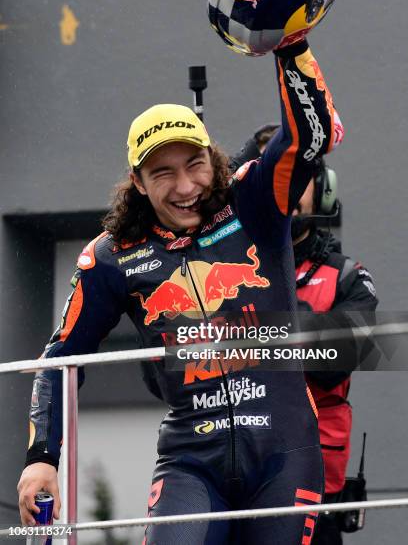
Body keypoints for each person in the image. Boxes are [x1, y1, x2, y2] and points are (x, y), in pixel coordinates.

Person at [17, 40, 342, 544]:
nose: (185, 185)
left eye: (194, 164)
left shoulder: (254, 202)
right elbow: (61, 357)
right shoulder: (112, 254)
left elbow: (308, 136)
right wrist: (41, 459)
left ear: (213, 159)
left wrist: (291, 44)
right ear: (139, 183)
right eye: (162, 173)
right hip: (192, 461)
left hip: (285, 454)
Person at [233, 132, 378, 544]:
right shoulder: (212, 275)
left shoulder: (349, 278)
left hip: (315, 492)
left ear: (323, 187)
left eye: (296, 173)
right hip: (230, 480)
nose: (283, 185)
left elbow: (332, 365)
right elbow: (166, 372)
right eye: (268, 173)